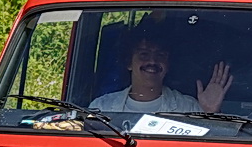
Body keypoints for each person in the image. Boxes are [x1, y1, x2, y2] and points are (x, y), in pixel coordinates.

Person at [90, 31, 233, 114]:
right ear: (128, 62)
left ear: (168, 64)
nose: (152, 61)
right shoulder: (102, 107)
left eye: (160, 55)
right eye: (144, 55)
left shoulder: (187, 107)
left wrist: (209, 112)